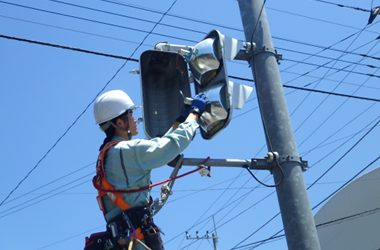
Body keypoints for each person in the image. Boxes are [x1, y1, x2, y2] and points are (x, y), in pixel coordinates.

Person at [90, 89, 208, 250]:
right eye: (130, 115)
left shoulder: (106, 155)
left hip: (123, 239)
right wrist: (194, 114)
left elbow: (163, 144)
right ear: (120, 123)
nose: (134, 119)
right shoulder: (126, 151)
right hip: (137, 241)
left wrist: (180, 120)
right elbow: (170, 146)